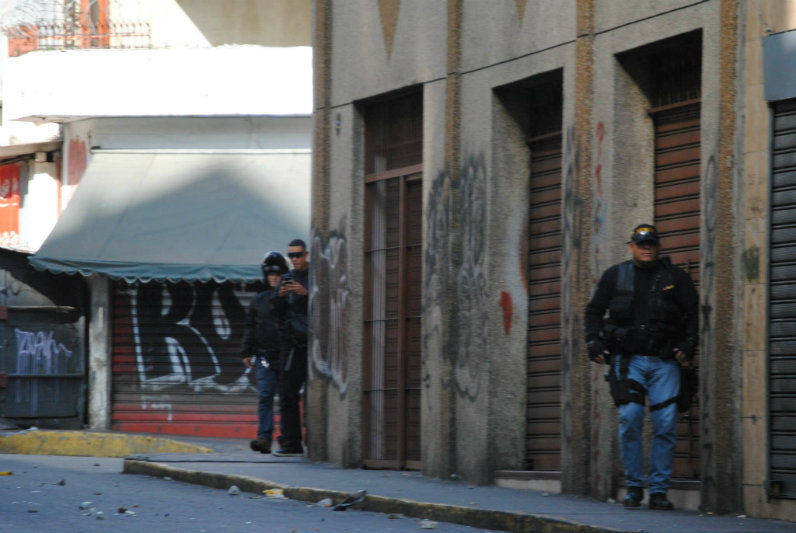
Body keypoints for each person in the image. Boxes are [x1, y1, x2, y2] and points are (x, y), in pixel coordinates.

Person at [584, 224, 698, 510]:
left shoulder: (676, 277)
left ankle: (658, 491)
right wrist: (593, 342)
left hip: (665, 362)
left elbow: (693, 314)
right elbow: (594, 310)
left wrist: (689, 344)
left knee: (665, 424)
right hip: (629, 361)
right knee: (631, 417)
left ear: (657, 247)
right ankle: (635, 487)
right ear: (631, 246)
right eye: (641, 244)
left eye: (651, 244)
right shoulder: (615, 275)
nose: (646, 248)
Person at [241, 251, 290, 454]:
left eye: (277, 274)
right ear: (265, 275)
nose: (273, 277)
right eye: (270, 274)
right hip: (264, 357)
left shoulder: (291, 298)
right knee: (265, 396)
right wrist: (247, 352)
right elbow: (250, 327)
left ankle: (287, 438)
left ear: (283, 275)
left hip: (287, 355)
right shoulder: (258, 300)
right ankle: (264, 438)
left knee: (288, 398)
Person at [271, 238, 310, 457]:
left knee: (313, 397)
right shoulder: (286, 279)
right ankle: (292, 442)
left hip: (312, 344)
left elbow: (328, 302)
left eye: (298, 255)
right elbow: (274, 311)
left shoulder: (316, 276)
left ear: (306, 254)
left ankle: (310, 441)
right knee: (287, 394)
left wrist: (306, 294)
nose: (294, 259)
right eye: (291, 256)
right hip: (291, 343)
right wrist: (279, 296)